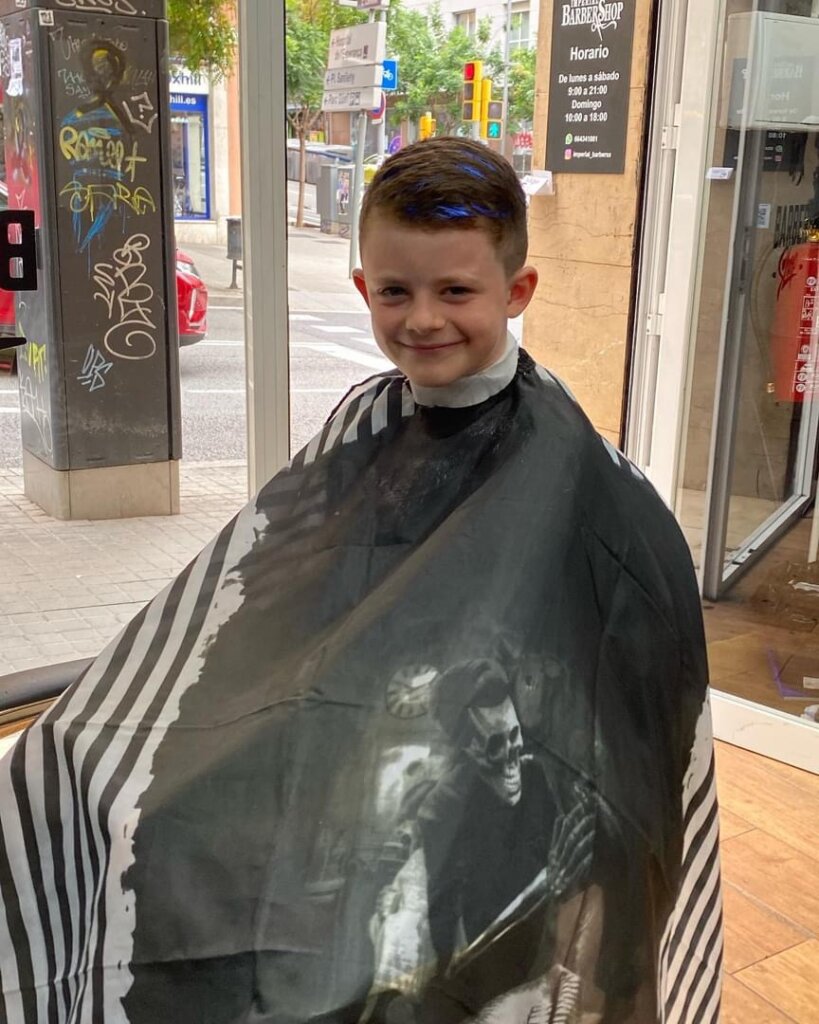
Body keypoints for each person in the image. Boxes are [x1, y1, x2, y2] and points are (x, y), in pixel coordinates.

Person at [0, 138, 722, 1024]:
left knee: (371, 968)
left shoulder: (586, 482)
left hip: (499, 813)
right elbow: (260, 610)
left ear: (516, 291)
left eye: (455, 291)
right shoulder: (360, 427)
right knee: (122, 816)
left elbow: (620, 713)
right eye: (395, 292)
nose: (422, 319)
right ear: (362, 290)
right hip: (353, 776)